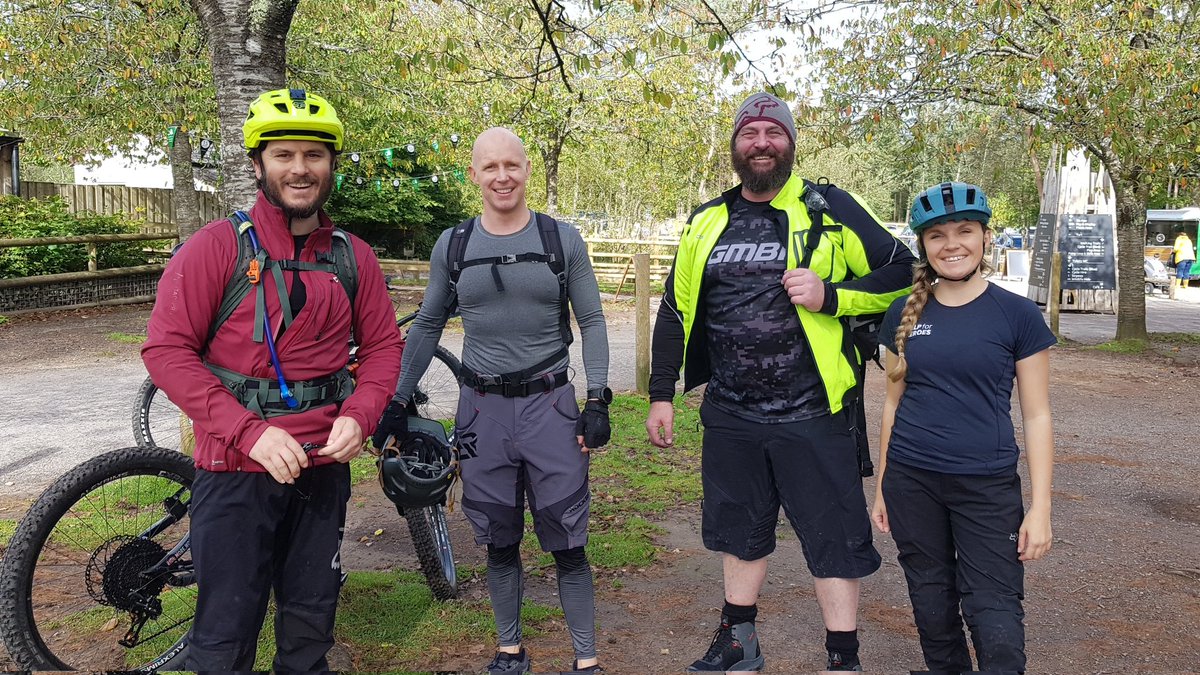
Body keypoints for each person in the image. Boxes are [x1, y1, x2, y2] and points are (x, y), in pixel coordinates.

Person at [645, 91, 917, 673]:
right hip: (732, 414)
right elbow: (674, 310)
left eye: (774, 131)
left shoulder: (830, 206)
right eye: (751, 133)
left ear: (791, 142)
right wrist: (661, 395)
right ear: (736, 145)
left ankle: (843, 657)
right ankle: (738, 641)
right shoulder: (706, 221)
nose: (762, 142)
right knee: (739, 531)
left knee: (834, 538)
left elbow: (904, 270)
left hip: (815, 412)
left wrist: (833, 296)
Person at [141, 88, 403, 670]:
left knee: (310, 631)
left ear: (332, 164)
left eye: (314, 155)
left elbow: (385, 347)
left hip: (323, 472)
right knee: (224, 638)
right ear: (258, 165)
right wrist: (249, 431)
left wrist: (361, 415)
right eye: (283, 155)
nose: (300, 169)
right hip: (236, 471)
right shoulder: (214, 249)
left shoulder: (352, 257)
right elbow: (166, 351)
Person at [376, 127, 611, 674]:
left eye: (512, 165)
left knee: (567, 540)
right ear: (473, 175)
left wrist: (597, 397)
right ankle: (509, 650)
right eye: (490, 167)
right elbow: (428, 323)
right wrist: (398, 398)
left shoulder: (561, 240)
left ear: (526, 169)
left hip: (550, 407)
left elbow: (594, 321)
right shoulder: (454, 245)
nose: (502, 176)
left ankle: (586, 659)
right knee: (498, 539)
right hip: (481, 410)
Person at [872, 182, 1055, 673]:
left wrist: (1040, 509)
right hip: (912, 482)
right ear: (923, 247)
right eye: (937, 235)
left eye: (965, 231)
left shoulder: (1016, 315)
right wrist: (884, 487)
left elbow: (1037, 415)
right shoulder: (902, 314)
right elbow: (893, 404)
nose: (951, 244)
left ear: (985, 238)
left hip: (986, 486)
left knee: (993, 611)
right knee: (932, 604)